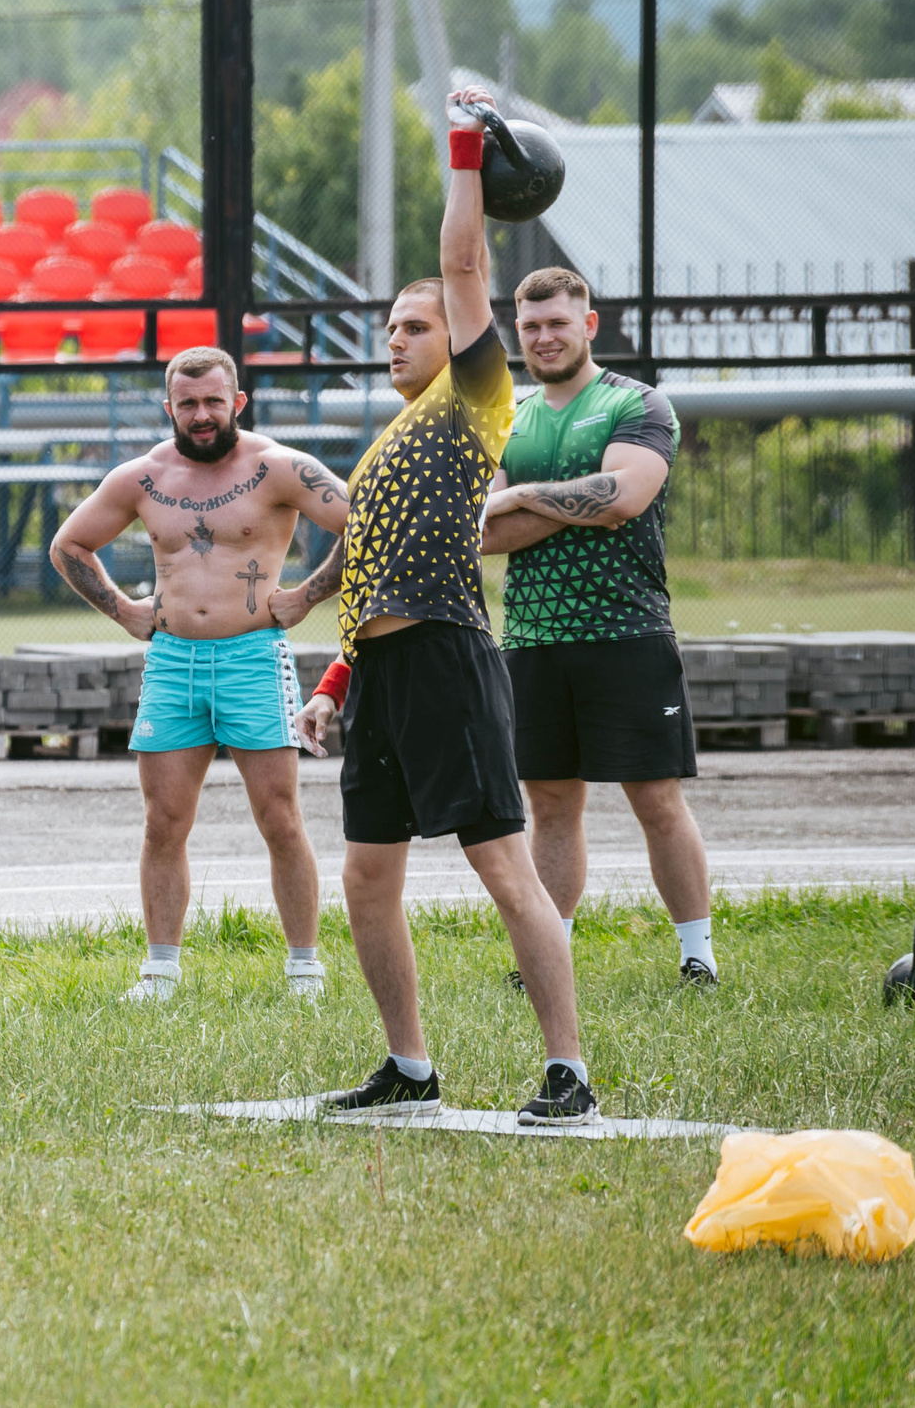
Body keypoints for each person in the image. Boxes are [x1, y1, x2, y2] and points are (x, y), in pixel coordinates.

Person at [296, 84, 600, 1128]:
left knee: (502, 869)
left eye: (413, 325)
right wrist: (337, 675)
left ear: (460, 340)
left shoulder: (475, 398)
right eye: (387, 326)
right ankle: (408, 1066)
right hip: (382, 668)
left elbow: (467, 263)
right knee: (366, 877)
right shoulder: (386, 444)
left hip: (446, 658)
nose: (394, 338)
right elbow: (372, 561)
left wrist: (465, 147)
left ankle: (567, 1069)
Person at [49, 346, 352, 1003]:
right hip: (174, 662)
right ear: (170, 409)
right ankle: (160, 970)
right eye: (188, 403)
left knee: (280, 817)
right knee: (163, 819)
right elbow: (69, 544)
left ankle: (305, 967)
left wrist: (309, 594)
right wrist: (123, 611)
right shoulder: (144, 477)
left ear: (237, 401)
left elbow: (366, 523)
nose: (202, 414)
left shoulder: (278, 466)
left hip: (253, 656)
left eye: (214, 400)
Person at [482, 266, 717, 985]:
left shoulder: (636, 403)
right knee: (550, 803)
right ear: (516, 333)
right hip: (532, 637)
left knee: (655, 798)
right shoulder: (509, 418)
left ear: (588, 325)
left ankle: (697, 956)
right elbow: (484, 532)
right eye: (530, 326)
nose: (544, 337)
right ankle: (550, 954)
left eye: (558, 323)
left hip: (627, 632)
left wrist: (523, 494)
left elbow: (622, 496)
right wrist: (556, 501)